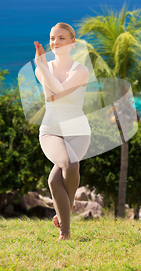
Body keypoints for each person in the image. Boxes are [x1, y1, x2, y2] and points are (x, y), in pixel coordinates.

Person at [34, 22, 91, 241]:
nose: (55, 42)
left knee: (53, 180)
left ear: (72, 43)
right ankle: (69, 211)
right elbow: (51, 98)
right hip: (51, 131)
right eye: (52, 38)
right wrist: (42, 67)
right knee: (71, 163)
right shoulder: (42, 67)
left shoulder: (81, 71)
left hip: (78, 131)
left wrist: (42, 67)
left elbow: (58, 90)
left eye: (61, 38)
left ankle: (64, 229)